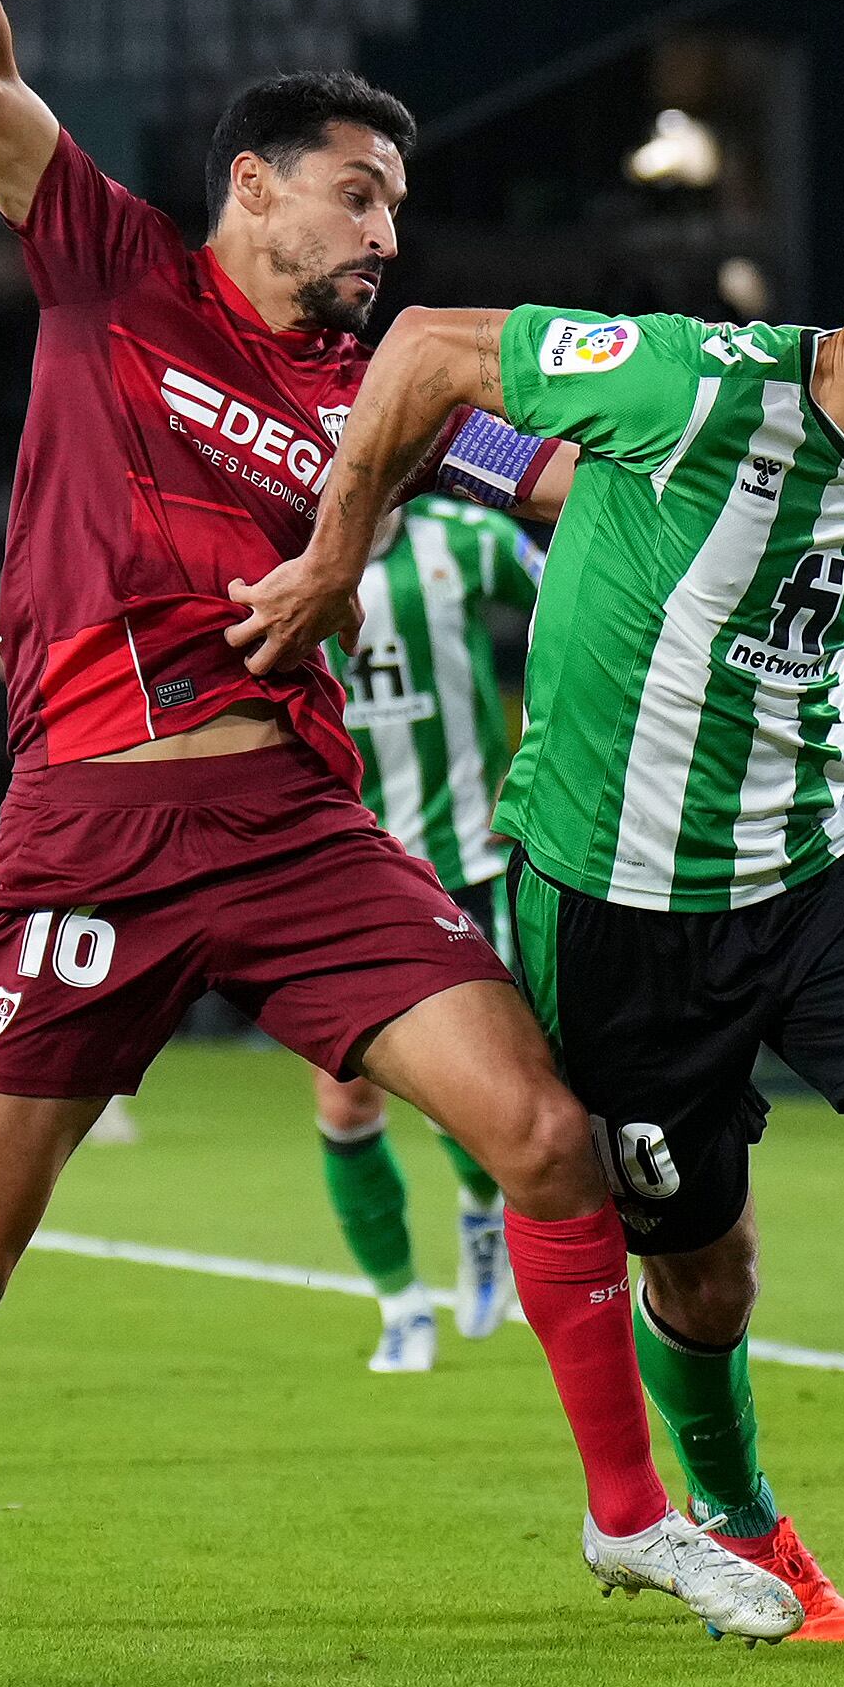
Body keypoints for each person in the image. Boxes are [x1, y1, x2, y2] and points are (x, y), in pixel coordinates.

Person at [0, 0, 799, 1648]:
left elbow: (565, 478)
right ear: (253, 190)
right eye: (358, 196)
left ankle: (629, 1516)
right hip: (91, 822)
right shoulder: (114, 268)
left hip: (292, 826)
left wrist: (711, 453)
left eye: (400, 207)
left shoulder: (383, 400)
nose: (386, 232)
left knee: (541, 1132)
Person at [233, 140, 844, 1636]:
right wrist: (334, 556)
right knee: (705, 1281)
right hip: (613, 907)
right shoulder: (689, 385)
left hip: (815, 867)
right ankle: (742, 1519)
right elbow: (418, 351)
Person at [311, 492, 543, 1372]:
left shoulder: (470, 540)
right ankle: (402, 1304)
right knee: (345, 1097)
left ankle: (485, 1208)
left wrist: (538, 746)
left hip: (466, 864)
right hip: (336, 872)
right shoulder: (289, 552)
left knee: (481, 1085)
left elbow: (573, 602)